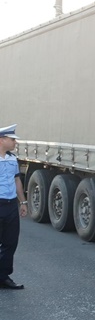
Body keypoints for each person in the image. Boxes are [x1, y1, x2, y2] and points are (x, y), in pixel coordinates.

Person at [0, 124, 28, 290]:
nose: (15, 142)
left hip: (10, 205)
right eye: (12, 139)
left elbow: (17, 180)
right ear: (2, 140)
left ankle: (3, 277)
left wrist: (22, 202)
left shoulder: (12, 159)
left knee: (10, 242)